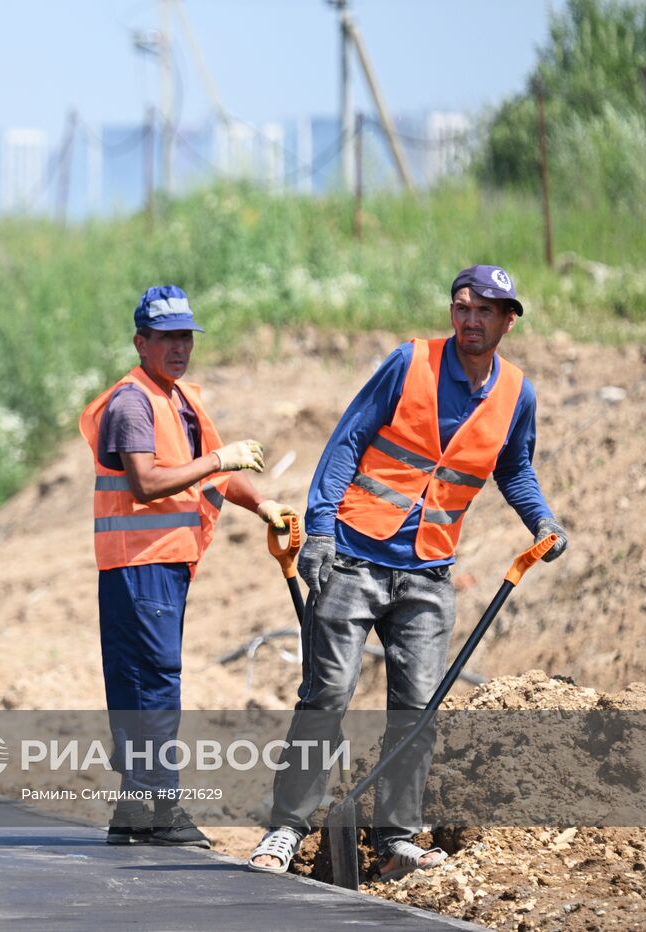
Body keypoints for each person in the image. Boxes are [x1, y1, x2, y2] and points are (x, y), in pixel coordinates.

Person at [246, 265, 568, 881]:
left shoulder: (516, 394)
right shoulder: (409, 362)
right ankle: (286, 829)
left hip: (428, 574)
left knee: (417, 708)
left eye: (486, 311)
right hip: (354, 557)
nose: (471, 320)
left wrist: (542, 521)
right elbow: (346, 442)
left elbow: (515, 470)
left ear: (509, 320)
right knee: (327, 697)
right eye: (462, 307)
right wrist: (319, 530)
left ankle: (397, 837)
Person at [78, 285, 298, 847]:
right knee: (153, 685)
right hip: (140, 564)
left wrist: (263, 504)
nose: (180, 347)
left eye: (186, 336)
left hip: (160, 565)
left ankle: (135, 811)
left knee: (139, 684)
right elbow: (147, 483)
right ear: (141, 341)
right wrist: (217, 459)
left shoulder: (176, 399)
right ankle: (161, 808)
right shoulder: (134, 402)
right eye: (168, 337)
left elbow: (216, 473)